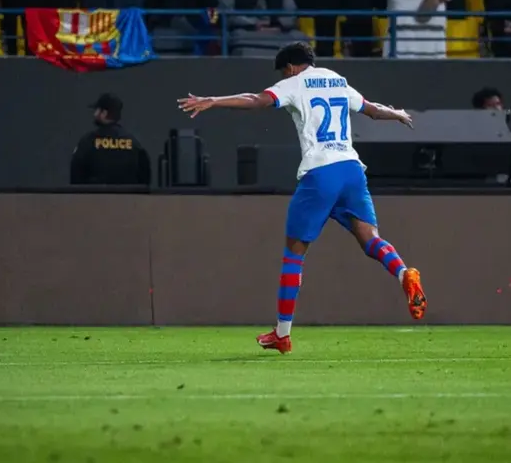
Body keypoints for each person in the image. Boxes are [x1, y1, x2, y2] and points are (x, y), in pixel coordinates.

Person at [176, 42, 427, 353]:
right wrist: (399, 114)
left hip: (320, 172)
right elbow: (372, 110)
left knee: (294, 254)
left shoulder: (293, 83)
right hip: (351, 169)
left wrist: (214, 100)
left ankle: (282, 333)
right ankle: (404, 272)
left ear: (291, 67)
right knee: (371, 240)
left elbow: (257, 100)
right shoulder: (338, 79)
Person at [70, 93, 151, 185]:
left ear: (104, 113)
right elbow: (144, 180)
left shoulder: (88, 142)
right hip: (127, 198)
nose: (94, 114)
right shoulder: (134, 144)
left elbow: (76, 176)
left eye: (97, 110)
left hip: (94, 198)